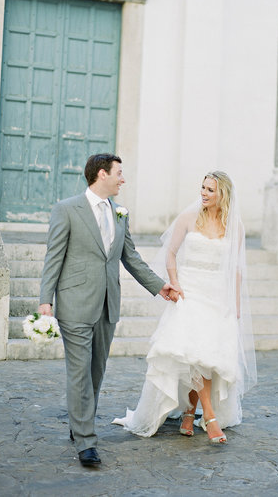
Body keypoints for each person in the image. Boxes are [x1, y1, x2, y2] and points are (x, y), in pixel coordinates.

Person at [38, 153, 178, 468]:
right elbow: (53, 256)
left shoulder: (120, 213)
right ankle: (86, 442)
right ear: (102, 174)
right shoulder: (66, 209)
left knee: (96, 372)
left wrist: (159, 286)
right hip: (74, 303)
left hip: (107, 304)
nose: (123, 179)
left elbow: (131, 256)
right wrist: (45, 299)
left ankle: (80, 423)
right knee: (79, 373)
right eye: (119, 173)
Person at [112, 171, 257, 444]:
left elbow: (236, 269)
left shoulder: (234, 225)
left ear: (222, 194)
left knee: (204, 355)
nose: (203, 193)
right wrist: (175, 283)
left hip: (217, 296)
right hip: (190, 292)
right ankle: (210, 417)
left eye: (210, 190)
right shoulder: (188, 218)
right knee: (194, 352)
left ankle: (190, 411)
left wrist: (235, 304)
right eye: (202, 187)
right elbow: (170, 252)